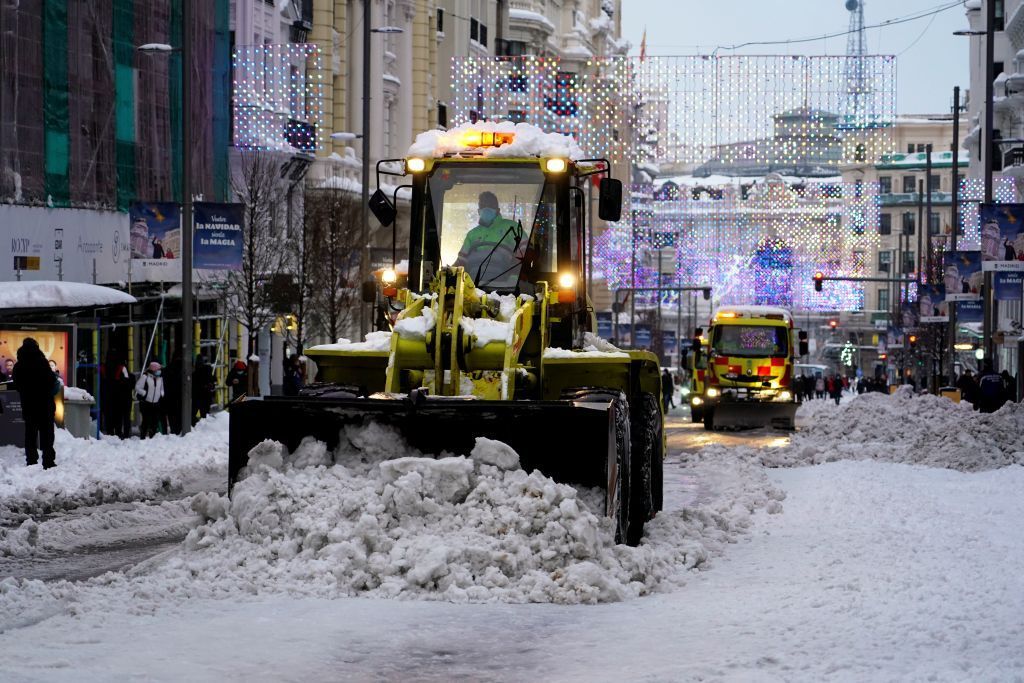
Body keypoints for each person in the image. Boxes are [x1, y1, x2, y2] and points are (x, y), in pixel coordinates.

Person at [453, 191, 523, 288]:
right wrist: (449, 273)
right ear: (479, 211)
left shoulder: (513, 228)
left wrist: (515, 277)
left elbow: (524, 253)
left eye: (490, 205)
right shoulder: (472, 234)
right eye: (483, 205)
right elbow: (461, 261)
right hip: (473, 286)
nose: (486, 208)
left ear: (498, 210)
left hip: (506, 286)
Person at [12, 338, 59, 468]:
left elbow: (17, 385)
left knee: (30, 433)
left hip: (28, 405)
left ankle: (31, 460)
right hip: (45, 405)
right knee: (47, 433)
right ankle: (48, 460)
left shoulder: (19, 366)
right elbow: (51, 382)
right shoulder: (42, 363)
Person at [135, 361, 165, 438]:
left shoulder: (160, 378)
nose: (159, 371)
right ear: (153, 370)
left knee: (155, 421)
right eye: (158, 369)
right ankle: (143, 436)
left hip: (156, 402)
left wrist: (161, 394)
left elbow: (162, 388)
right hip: (146, 403)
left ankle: (153, 437)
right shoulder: (145, 377)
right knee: (146, 421)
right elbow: (137, 387)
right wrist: (144, 393)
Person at [163, 352, 183, 434]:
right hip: (180, 396)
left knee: (172, 415)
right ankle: (178, 430)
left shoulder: (167, 369)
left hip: (170, 396)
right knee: (179, 414)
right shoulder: (184, 368)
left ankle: (174, 430)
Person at [192, 355, 215, 424]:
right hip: (206, 396)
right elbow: (212, 383)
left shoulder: (195, 373)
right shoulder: (208, 371)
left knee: (193, 413)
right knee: (204, 414)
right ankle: (203, 427)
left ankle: (195, 425)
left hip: (197, 396)